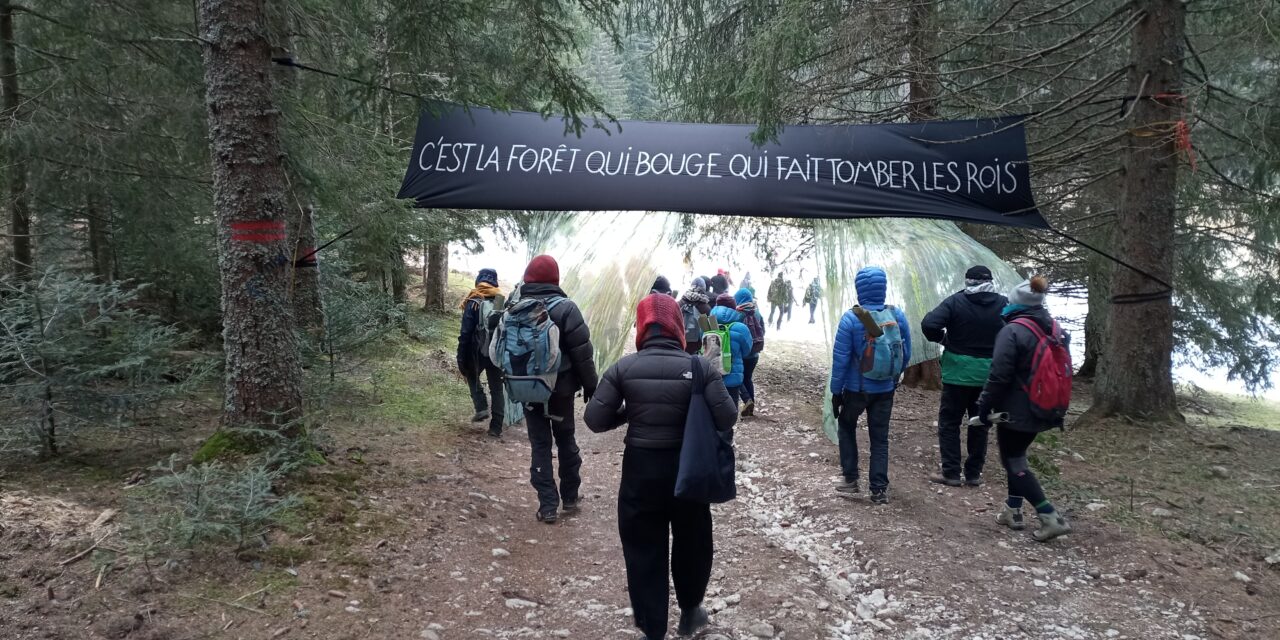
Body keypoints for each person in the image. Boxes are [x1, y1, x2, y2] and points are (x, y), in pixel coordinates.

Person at [584, 293, 738, 640]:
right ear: (678, 326)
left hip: (641, 469)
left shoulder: (624, 368)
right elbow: (727, 417)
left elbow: (594, 420)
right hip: (690, 466)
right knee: (693, 539)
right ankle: (690, 611)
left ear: (641, 326)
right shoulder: (699, 367)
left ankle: (653, 628)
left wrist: (630, 413)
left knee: (642, 545)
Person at [975, 276, 1072, 542]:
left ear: (1015, 302)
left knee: (1012, 461)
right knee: (1016, 456)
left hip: (1018, 409)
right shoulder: (1053, 327)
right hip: (1046, 405)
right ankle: (1012, 510)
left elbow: (999, 375)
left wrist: (984, 406)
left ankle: (1050, 516)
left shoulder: (1013, 330)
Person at [515, 255, 598, 524]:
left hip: (528, 388)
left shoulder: (515, 306)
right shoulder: (566, 308)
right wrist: (590, 385)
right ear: (555, 279)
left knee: (539, 444)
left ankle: (547, 505)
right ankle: (570, 497)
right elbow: (582, 352)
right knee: (565, 439)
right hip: (560, 391)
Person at [829, 266, 911, 504]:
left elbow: (841, 359)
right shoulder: (896, 315)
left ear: (859, 289)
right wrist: (894, 377)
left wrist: (836, 392)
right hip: (885, 389)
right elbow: (906, 353)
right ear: (883, 288)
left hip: (857, 389)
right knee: (880, 438)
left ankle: (851, 479)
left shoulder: (851, 318)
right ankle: (879, 490)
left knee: (846, 426)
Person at [920, 265, 1008, 487]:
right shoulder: (1004, 304)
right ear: (990, 281)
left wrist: (944, 339)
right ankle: (973, 474)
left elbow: (929, 324)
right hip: (988, 375)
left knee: (949, 422)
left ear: (967, 281)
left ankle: (950, 473)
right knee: (980, 423)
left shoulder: (956, 301)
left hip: (957, 374)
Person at [458, 268, 505, 438]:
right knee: (497, 389)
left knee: (471, 375)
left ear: (478, 280)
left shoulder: (473, 301)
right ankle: (496, 427)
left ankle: (481, 407)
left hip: (476, 352)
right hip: (496, 352)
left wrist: (461, 357)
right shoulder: (501, 301)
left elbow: (465, 332)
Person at [709, 293, 754, 407]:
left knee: (713, 410)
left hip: (711, 376)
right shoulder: (741, 328)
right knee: (731, 412)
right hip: (733, 378)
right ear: (734, 307)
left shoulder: (707, 324)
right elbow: (747, 351)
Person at [732, 287, 766, 417]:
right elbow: (763, 330)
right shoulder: (757, 312)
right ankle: (750, 406)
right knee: (748, 379)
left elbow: (735, 332)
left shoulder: (739, 314)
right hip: (755, 354)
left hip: (743, 353)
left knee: (738, 378)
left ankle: (747, 400)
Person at [679, 277, 713, 355]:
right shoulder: (705, 307)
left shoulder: (680, 303)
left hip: (681, 341)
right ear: (704, 289)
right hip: (697, 344)